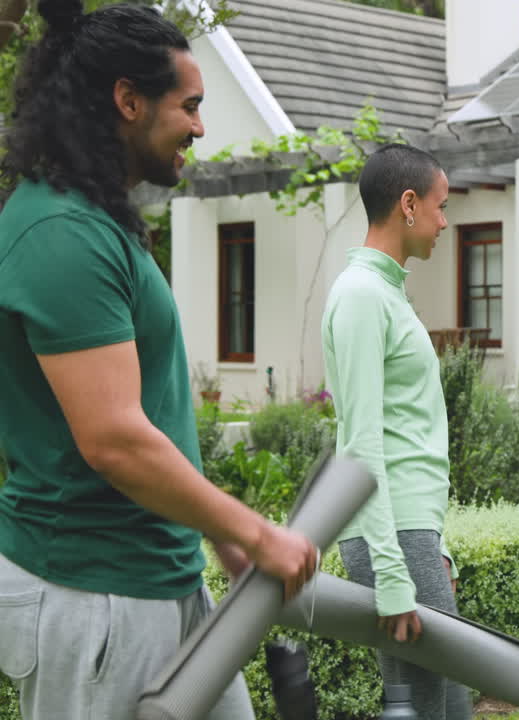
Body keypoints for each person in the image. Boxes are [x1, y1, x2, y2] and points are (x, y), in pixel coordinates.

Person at [0, 2, 317, 719]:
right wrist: (254, 531)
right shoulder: (60, 233)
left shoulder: (98, 221)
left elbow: (153, 420)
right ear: (128, 99)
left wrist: (217, 532)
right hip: (92, 598)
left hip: (158, 578)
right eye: (191, 106)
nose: (202, 129)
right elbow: (114, 438)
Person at [322, 143, 472, 719]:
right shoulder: (362, 296)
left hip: (412, 535)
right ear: (408, 204)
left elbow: (409, 430)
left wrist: (436, 550)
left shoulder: (386, 291)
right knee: (436, 707)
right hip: (391, 538)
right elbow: (361, 445)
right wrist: (392, 575)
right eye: (440, 206)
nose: (443, 221)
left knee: (443, 702)